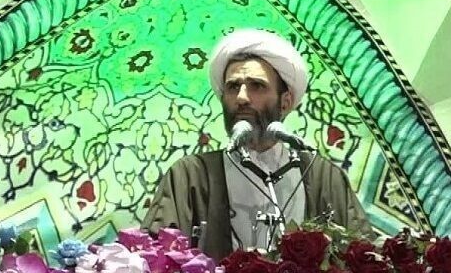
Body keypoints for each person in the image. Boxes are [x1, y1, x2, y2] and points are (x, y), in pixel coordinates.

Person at [141, 29, 372, 260]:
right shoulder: (190, 175)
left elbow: (365, 262)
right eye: (233, 87)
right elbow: (154, 258)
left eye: (257, 86)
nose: (242, 98)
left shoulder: (324, 178)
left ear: (285, 102)